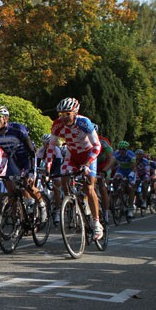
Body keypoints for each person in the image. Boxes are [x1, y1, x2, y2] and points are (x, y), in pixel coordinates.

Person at [45, 97, 103, 240]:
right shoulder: (57, 125)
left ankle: (96, 223)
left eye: (67, 114)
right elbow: (51, 146)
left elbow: (97, 146)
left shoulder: (84, 122)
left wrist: (88, 164)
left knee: (89, 188)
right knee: (64, 175)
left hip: (88, 155)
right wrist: (48, 165)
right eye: (61, 114)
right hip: (72, 155)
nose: (64, 118)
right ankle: (71, 202)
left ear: (75, 113)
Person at [0, 104, 48, 222]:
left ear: (5, 118)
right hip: (13, 159)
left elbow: (31, 151)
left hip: (26, 158)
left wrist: (30, 171)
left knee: (28, 185)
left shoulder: (17, 129)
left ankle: (41, 205)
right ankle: (17, 219)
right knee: (11, 190)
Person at [37, 133, 63, 223]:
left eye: (47, 143)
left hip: (56, 166)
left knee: (56, 187)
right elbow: (36, 164)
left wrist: (50, 175)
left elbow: (57, 165)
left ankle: (58, 211)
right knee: (42, 181)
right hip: (47, 167)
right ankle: (45, 199)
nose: (45, 145)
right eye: (44, 143)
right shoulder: (41, 150)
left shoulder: (56, 150)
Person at [94, 125, 114, 224]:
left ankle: (106, 213)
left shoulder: (103, 141)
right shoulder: (83, 140)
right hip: (92, 167)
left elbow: (111, 158)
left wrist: (105, 170)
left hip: (104, 167)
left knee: (102, 187)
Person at [113, 140, 137, 218]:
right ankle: (118, 194)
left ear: (126, 149)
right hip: (121, 170)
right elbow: (111, 163)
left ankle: (130, 207)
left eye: (123, 149)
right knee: (116, 179)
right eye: (120, 149)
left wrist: (132, 173)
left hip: (130, 170)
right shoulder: (116, 154)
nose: (121, 151)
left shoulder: (131, 155)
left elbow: (134, 166)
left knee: (130, 187)